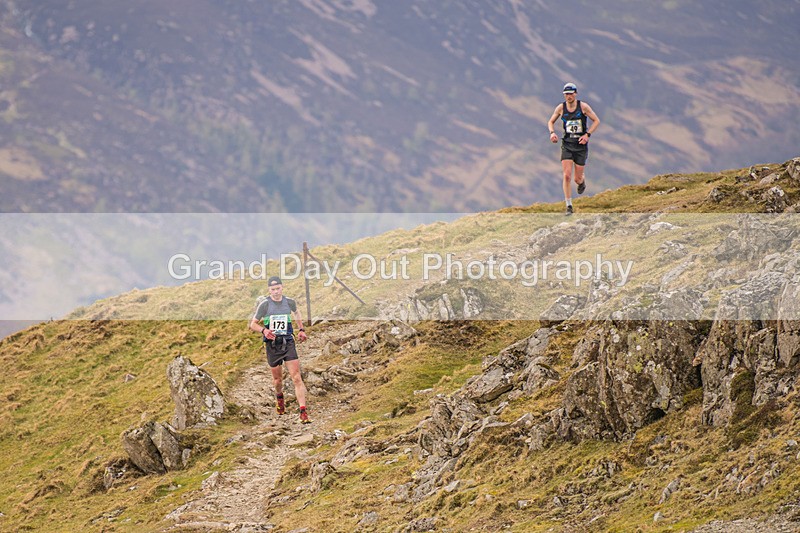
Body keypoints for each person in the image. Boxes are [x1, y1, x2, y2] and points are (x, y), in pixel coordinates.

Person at [249, 276, 311, 424]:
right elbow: (253, 324)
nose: (276, 292)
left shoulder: (289, 302)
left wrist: (301, 329)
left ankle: (303, 411)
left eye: (278, 289)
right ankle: (280, 398)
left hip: (288, 341)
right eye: (273, 289)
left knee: (296, 377)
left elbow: (296, 312)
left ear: (282, 287)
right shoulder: (264, 305)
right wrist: (264, 331)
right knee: (278, 380)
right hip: (272, 345)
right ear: (269, 290)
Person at [547, 82, 600, 215]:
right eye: (566, 94)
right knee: (566, 175)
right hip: (567, 144)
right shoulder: (560, 108)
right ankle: (569, 205)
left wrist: (587, 135)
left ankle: (582, 181)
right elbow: (550, 121)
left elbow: (596, 121)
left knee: (577, 178)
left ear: (575, 94)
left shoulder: (583, 107)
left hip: (580, 146)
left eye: (571, 93)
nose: (569, 96)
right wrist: (552, 132)